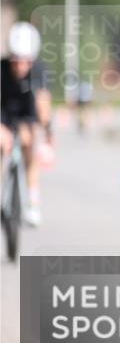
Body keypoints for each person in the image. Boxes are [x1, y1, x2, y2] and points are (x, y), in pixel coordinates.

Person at [1, 21, 52, 226]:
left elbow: (43, 103)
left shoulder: (39, 70)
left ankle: (32, 202)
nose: (20, 66)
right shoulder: (1, 69)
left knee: (30, 147)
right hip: (3, 114)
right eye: (16, 61)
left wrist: (46, 129)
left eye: (25, 61)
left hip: (26, 115)